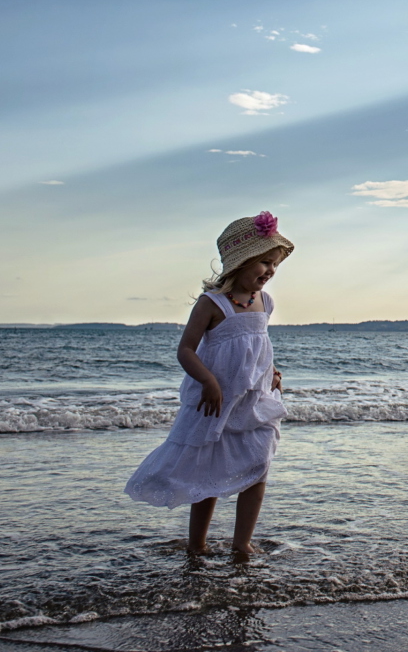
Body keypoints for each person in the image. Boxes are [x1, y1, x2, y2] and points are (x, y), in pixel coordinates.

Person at [125, 211, 293, 556]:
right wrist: (208, 381)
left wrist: (272, 371)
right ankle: (196, 544)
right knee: (208, 475)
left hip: (253, 401)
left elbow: (258, 347)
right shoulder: (212, 304)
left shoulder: (266, 303)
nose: (271, 271)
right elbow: (185, 350)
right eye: (265, 262)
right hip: (215, 403)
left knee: (258, 467)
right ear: (241, 261)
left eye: (274, 264)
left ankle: (241, 543)